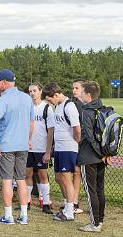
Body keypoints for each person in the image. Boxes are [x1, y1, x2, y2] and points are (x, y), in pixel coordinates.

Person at [0, 69, 34, 225]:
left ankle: (8, 216)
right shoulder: (27, 98)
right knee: (21, 180)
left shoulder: (3, 99)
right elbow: (31, 122)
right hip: (22, 145)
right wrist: (28, 139)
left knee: (7, 180)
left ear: (4, 83)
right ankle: (23, 215)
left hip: (6, 146)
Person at [42, 82, 81, 221]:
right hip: (59, 148)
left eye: (50, 99)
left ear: (57, 94)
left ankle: (70, 211)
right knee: (59, 178)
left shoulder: (69, 106)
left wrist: (76, 144)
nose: (49, 102)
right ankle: (67, 205)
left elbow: (77, 128)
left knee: (66, 178)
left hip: (68, 148)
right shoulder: (57, 105)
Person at [78, 81, 109, 232]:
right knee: (99, 190)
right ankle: (100, 220)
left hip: (89, 156)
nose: (80, 95)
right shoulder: (103, 109)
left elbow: (89, 137)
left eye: (82, 92)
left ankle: (94, 224)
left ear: (88, 95)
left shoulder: (87, 111)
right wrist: (104, 153)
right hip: (101, 157)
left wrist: (99, 153)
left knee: (91, 191)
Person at [25, 82, 54, 214]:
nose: (32, 93)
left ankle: (46, 203)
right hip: (28, 148)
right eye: (30, 91)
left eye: (34, 90)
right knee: (27, 174)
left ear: (40, 91)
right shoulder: (27, 107)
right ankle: (27, 201)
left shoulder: (47, 108)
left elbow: (50, 131)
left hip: (41, 148)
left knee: (43, 175)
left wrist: (48, 151)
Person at [72, 79, 85, 214]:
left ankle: (74, 202)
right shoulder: (72, 105)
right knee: (68, 174)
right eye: (73, 88)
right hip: (72, 144)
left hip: (83, 146)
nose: (74, 90)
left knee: (77, 173)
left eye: (77, 88)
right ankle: (70, 201)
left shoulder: (86, 105)